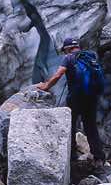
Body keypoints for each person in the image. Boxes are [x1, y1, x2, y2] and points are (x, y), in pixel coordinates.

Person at [36, 37, 106, 167]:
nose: (64, 53)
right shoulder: (90, 56)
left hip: (76, 97)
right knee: (91, 127)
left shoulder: (68, 58)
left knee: (71, 125)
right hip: (92, 97)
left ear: (68, 48)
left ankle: (72, 156)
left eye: (64, 50)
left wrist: (46, 86)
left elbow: (58, 74)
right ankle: (99, 158)